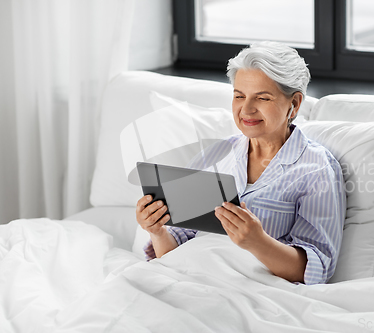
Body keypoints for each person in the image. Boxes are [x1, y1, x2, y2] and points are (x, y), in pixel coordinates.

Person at [136, 41, 346, 285]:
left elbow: (316, 269)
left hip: (248, 292)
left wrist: (259, 242)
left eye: (262, 98)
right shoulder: (215, 156)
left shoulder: (316, 169)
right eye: (239, 96)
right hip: (187, 279)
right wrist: (157, 230)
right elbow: (176, 251)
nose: (246, 109)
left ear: (294, 104)